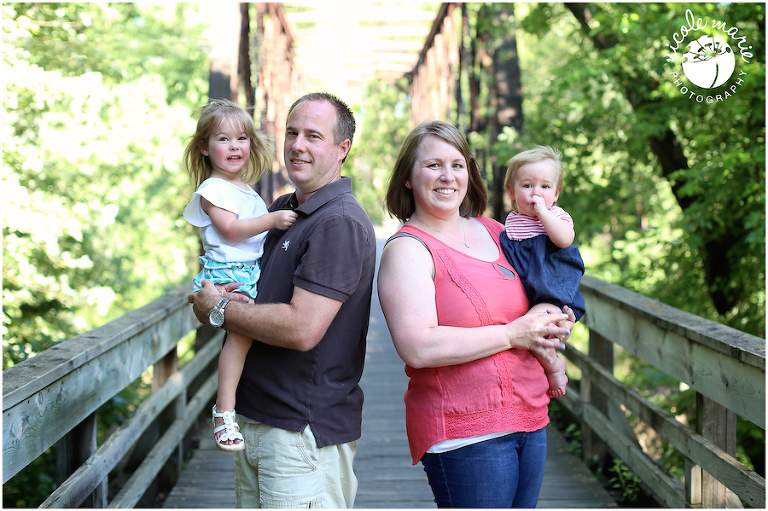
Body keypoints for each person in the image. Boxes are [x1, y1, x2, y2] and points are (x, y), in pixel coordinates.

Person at [188, 92, 376, 508]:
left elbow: (301, 328)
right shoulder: (281, 210)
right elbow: (248, 291)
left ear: (342, 149)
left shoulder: (338, 222)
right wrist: (221, 296)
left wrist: (219, 309)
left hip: (300, 433)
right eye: (292, 133)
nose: (297, 145)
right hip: (258, 420)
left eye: (314, 136)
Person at [377, 120, 576, 508]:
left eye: (457, 164)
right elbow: (418, 346)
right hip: (466, 432)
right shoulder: (408, 250)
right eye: (433, 165)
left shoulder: (496, 231)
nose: (447, 176)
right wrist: (514, 334)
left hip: (531, 418)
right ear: (407, 178)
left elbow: (545, 280)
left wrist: (552, 321)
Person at [183, 99, 298, 452]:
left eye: (241, 138)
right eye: (223, 139)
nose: (234, 147)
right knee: (241, 339)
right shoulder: (211, 191)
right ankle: (225, 412)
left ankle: (238, 407)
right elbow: (232, 230)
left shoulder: (244, 189)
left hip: (250, 272)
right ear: (204, 147)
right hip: (230, 274)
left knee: (249, 339)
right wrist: (272, 220)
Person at [499, 145, 586, 398]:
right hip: (526, 290)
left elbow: (564, 240)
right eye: (527, 186)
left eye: (545, 187)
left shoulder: (557, 216)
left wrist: (544, 213)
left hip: (550, 289)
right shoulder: (512, 222)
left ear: (556, 193)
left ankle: (555, 366)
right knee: (527, 330)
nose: (536, 193)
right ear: (511, 192)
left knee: (535, 329)